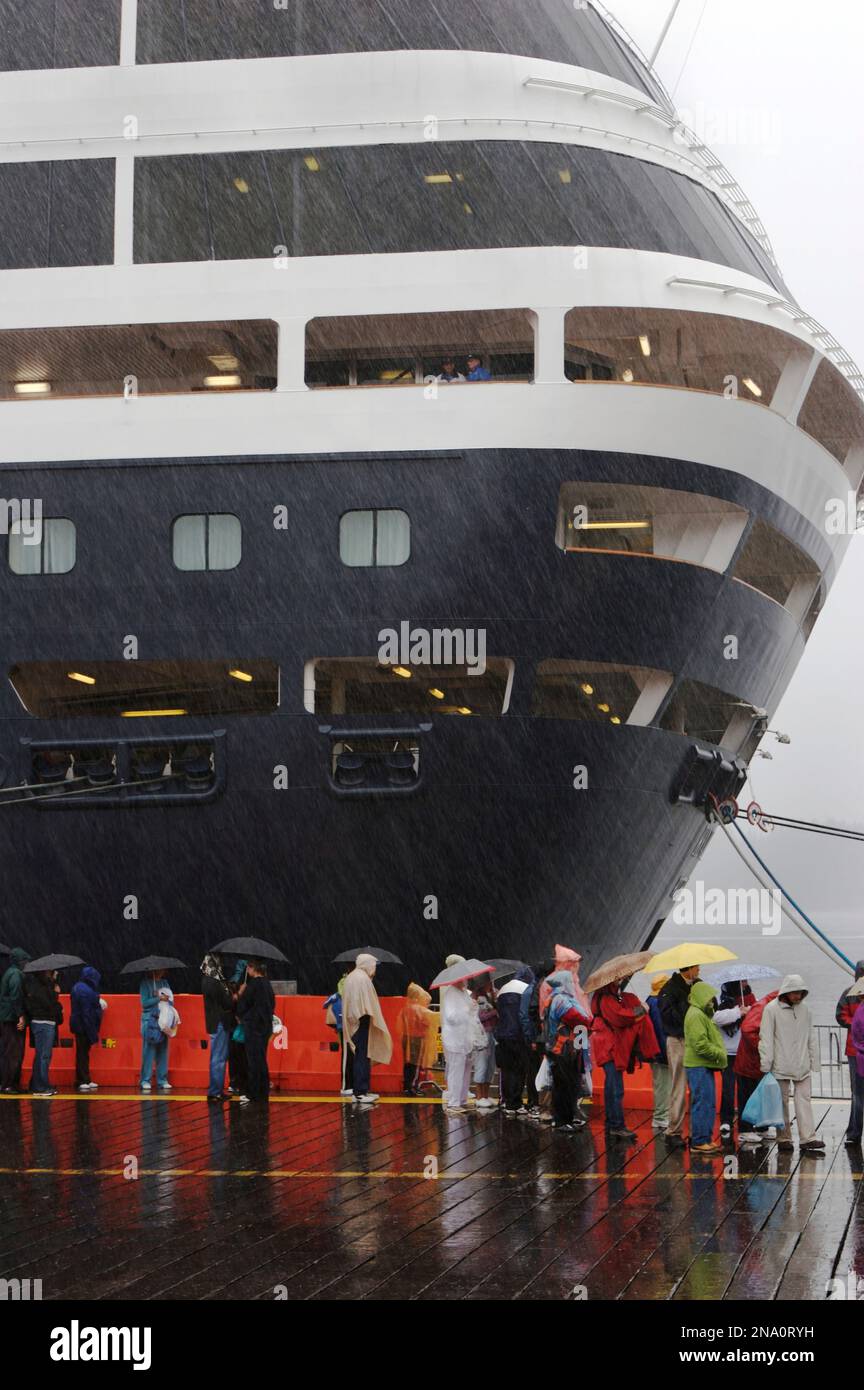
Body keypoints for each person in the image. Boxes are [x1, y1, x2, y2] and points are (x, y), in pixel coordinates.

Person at [759, 974, 825, 1154]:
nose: (797, 996)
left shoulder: (806, 1010)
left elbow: (811, 1037)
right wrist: (766, 1064)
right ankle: (784, 1138)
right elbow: (766, 1039)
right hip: (780, 1064)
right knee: (781, 1103)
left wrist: (814, 1061)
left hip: (802, 1064)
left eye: (800, 993)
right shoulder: (771, 1009)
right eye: (794, 992)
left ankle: (808, 1138)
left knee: (804, 1100)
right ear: (786, 991)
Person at [591, 977, 658, 1141]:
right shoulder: (607, 999)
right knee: (616, 1088)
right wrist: (642, 1009)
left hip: (606, 1046)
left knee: (610, 1086)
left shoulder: (604, 996)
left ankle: (611, 1122)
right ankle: (617, 1126)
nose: (620, 980)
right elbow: (621, 1017)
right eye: (617, 978)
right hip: (609, 1047)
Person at [658, 962, 701, 1148]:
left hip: (693, 1040)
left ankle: (695, 1131)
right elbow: (668, 1016)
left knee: (696, 1087)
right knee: (679, 1085)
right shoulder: (669, 989)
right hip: (678, 1040)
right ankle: (673, 1130)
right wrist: (688, 1003)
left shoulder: (697, 984)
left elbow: (711, 1002)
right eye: (697, 967)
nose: (699, 971)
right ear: (689, 969)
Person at [544, 971, 593, 1132]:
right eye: (571, 981)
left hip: (568, 1048)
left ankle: (569, 1117)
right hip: (563, 1050)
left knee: (570, 1084)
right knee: (564, 1085)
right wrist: (590, 1023)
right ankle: (561, 1120)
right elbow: (576, 1019)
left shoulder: (556, 998)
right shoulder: (561, 1000)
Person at [341, 953, 392, 1105]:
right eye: (374, 965)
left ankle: (362, 1089)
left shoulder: (353, 977)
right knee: (362, 1056)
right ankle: (360, 1092)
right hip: (361, 1021)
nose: (374, 969)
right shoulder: (361, 979)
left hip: (356, 1021)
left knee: (362, 1055)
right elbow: (364, 1004)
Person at [683, 981, 727, 1153]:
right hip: (698, 1066)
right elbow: (700, 1044)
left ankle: (704, 1138)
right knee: (702, 1102)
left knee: (707, 1103)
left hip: (702, 1065)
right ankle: (700, 1140)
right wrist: (719, 1054)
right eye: (708, 998)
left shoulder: (701, 1014)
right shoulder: (696, 1015)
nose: (711, 1001)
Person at [734, 989, 779, 1145]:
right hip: (749, 1061)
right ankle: (745, 1130)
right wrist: (765, 1046)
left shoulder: (770, 1007)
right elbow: (747, 1030)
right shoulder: (762, 1007)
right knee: (747, 1096)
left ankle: (762, 1126)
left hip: (759, 1062)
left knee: (761, 1095)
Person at [713, 980, 755, 1137]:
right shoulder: (723, 1005)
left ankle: (747, 1123)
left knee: (746, 1089)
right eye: (742, 982)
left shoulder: (750, 1000)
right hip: (728, 1053)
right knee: (728, 1089)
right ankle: (726, 1120)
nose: (745, 984)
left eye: (746, 981)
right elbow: (716, 1018)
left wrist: (748, 1011)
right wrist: (739, 1012)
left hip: (744, 1052)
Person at [236, 959, 276, 1105]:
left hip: (253, 1027)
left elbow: (242, 1006)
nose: (247, 970)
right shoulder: (267, 984)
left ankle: (253, 1093)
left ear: (253, 968)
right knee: (261, 1059)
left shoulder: (252, 986)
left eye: (248, 967)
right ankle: (263, 1090)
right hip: (265, 1026)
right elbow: (272, 1004)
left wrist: (241, 992)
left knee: (253, 1060)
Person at [496, 967, 534, 1115]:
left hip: (503, 1035)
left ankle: (507, 1101)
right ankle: (516, 1103)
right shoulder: (526, 989)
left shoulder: (503, 989)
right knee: (520, 1069)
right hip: (518, 1035)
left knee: (507, 1069)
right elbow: (525, 1014)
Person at [23, 968, 63, 1098]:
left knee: (41, 1055)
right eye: (51, 972)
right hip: (44, 1023)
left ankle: (36, 1084)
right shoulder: (41, 988)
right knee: (44, 1056)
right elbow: (50, 1005)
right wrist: (56, 994)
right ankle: (41, 1087)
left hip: (42, 1022)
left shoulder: (38, 986)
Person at [836, 961, 864, 1145]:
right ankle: (854, 1133)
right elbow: (840, 1015)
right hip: (855, 1051)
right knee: (857, 1093)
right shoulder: (848, 993)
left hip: (855, 1048)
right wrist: (856, 1024)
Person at [522, 960, 554, 1122]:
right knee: (543, 1071)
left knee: (541, 1071)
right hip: (544, 1036)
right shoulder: (542, 988)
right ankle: (540, 1106)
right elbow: (531, 1014)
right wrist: (534, 1036)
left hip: (541, 1035)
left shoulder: (537, 987)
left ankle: (539, 1104)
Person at [201, 953, 233, 1103]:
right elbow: (226, 1002)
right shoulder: (214, 982)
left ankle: (217, 1090)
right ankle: (215, 1092)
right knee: (219, 1057)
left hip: (214, 1022)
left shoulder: (207, 981)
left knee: (217, 1056)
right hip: (219, 1022)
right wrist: (232, 995)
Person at [441, 975, 475, 1114]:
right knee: (456, 1070)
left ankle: (462, 1100)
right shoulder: (451, 993)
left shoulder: (462, 993)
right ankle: (454, 1102)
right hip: (455, 1039)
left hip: (465, 1038)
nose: (466, 981)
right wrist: (466, 1010)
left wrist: (471, 1007)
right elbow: (451, 1016)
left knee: (465, 1069)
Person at [0, 947, 30, 1093]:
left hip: (7, 1017)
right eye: (24, 960)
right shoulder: (16, 974)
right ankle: (8, 1084)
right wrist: (21, 1016)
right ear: (19, 961)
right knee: (14, 1053)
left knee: (9, 1052)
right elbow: (15, 997)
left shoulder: (10, 972)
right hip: (12, 1019)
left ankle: (10, 1083)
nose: (26, 963)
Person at [70, 965, 104, 1091]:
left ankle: (84, 1078)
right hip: (83, 1025)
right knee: (83, 1053)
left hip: (79, 1024)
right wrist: (92, 1031)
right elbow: (87, 1013)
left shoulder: (79, 987)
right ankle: (82, 1079)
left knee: (82, 1053)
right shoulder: (86, 990)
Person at [399, 983, 436, 1095]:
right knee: (415, 1064)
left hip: (406, 1038)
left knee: (408, 1064)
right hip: (417, 1039)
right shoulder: (419, 1009)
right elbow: (429, 1020)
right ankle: (412, 1087)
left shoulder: (405, 1008)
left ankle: (407, 1086)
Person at [139, 971, 172, 1092]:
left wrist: (167, 999)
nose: (162, 971)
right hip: (149, 1021)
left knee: (163, 1050)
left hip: (163, 1019)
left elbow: (170, 999)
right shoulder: (145, 984)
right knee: (149, 1051)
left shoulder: (165, 983)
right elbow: (144, 1003)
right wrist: (158, 998)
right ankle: (145, 1080)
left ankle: (162, 1080)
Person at [647, 974, 670, 1131]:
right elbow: (661, 1031)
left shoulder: (650, 1001)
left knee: (660, 1083)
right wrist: (665, 1054)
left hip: (652, 1050)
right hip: (660, 1051)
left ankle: (662, 1115)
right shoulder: (657, 1004)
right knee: (663, 1085)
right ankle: (661, 1117)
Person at [471, 979, 498, 1109]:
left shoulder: (491, 996)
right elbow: (479, 1017)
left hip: (492, 1034)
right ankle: (479, 1096)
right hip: (481, 1035)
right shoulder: (477, 998)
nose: (491, 984)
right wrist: (494, 1012)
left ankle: (486, 1096)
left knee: (490, 1066)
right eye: (489, 982)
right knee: (481, 1064)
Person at [227, 958, 249, 1096]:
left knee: (234, 1055)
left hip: (233, 1023)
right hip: (240, 1023)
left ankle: (234, 1082)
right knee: (242, 1056)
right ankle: (240, 1083)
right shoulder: (246, 984)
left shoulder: (231, 982)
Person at [849, 1000, 864, 1148]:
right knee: (859, 1098)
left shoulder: (859, 1010)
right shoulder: (861, 1012)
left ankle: (855, 1133)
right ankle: (855, 1132)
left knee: (859, 1098)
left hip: (860, 1061)